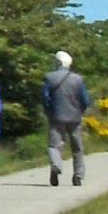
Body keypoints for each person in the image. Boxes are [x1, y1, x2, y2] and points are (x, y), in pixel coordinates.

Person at [44, 49, 90, 188]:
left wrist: (49, 112)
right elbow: (85, 100)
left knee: (54, 146)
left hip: (56, 117)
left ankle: (56, 165)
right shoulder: (78, 79)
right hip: (75, 118)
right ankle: (78, 176)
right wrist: (80, 111)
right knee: (77, 148)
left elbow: (45, 98)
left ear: (58, 62)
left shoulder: (49, 78)